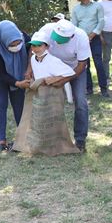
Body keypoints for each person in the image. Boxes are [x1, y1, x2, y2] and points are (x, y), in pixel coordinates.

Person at [30, 19, 91, 152]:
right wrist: (29, 70)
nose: (57, 41)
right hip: (51, 66)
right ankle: (49, 138)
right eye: (56, 38)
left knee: (80, 102)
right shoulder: (47, 29)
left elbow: (82, 65)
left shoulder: (81, 37)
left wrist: (63, 80)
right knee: (47, 101)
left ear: (71, 36)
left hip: (75, 68)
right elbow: (34, 47)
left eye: (61, 39)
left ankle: (80, 140)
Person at [0, 20, 30, 151]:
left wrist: (29, 70)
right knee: (0, 103)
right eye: (12, 44)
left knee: (19, 104)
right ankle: (2, 141)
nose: (16, 46)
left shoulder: (24, 37)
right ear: (4, 41)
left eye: (18, 43)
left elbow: (32, 52)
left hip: (19, 73)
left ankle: (22, 138)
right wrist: (17, 83)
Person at [71, 0, 108, 97]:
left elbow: (101, 22)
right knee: (84, 64)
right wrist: (80, 38)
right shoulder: (76, 9)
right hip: (81, 40)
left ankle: (103, 89)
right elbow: (74, 25)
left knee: (98, 63)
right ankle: (88, 89)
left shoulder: (97, 6)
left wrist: (92, 35)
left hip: (94, 38)